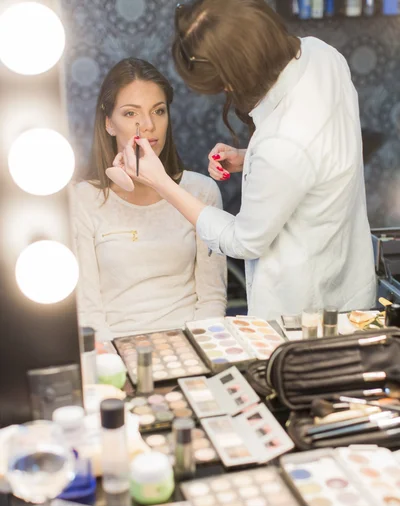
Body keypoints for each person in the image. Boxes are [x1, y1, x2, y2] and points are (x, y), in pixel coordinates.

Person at [115, 0, 376, 321]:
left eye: (223, 84)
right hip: (351, 283)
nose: (226, 90)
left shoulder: (281, 144)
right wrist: (248, 157)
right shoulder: (321, 54)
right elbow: (317, 156)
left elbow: (244, 241)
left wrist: (162, 182)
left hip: (305, 314)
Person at [71, 57, 227, 341]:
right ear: (109, 124)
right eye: (131, 114)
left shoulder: (201, 192)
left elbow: (212, 300)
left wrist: (198, 355)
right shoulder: (85, 199)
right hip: (117, 351)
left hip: (192, 345)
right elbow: (89, 311)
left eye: (159, 111)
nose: (148, 125)